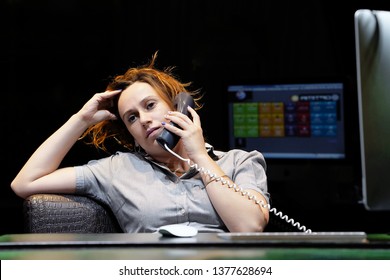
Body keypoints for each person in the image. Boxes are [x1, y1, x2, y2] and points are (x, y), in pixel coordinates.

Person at [11, 52, 270, 233]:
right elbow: (25, 183)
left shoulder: (240, 161)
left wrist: (200, 156)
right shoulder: (116, 170)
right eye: (132, 117)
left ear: (176, 105)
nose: (144, 120)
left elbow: (248, 226)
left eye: (150, 105)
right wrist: (80, 120)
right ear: (130, 132)